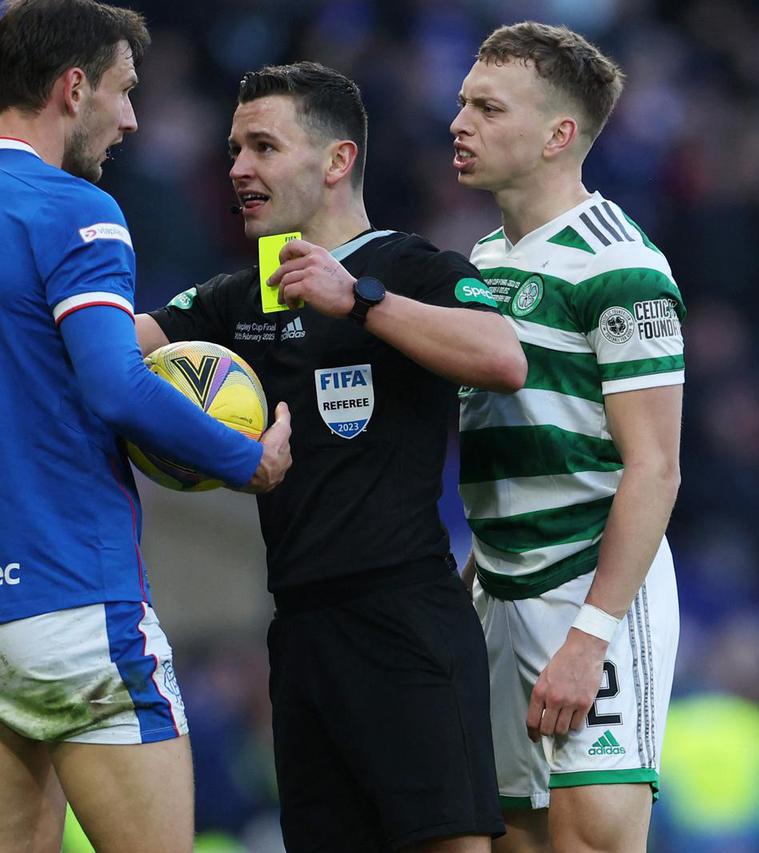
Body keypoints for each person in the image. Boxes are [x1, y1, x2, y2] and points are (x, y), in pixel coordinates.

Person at [0, 2, 291, 851]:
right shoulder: (72, 210)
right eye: (125, 91)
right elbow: (119, 387)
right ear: (74, 86)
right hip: (76, 610)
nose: (130, 117)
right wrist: (247, 460)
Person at [137, 62, 526, 852]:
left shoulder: (413, 268)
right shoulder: (238, 298)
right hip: (300, 634)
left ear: (337, 160)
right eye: (235, 149)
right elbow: (116, 352)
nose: (240, 168)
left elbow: (502, 354)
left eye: (264, 147)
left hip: (405, 617)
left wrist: (360, 299)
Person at [451, 22, 684, 853]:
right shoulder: (484, 258)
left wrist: (590, 637)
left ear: (558, 135)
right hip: (502, 593)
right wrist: (473, 574)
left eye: (487, 106)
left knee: (589, 841)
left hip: (591, 591)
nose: (459, 122)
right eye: (461, 102)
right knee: (512, 838)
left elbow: (655, 468)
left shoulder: (621, 267)